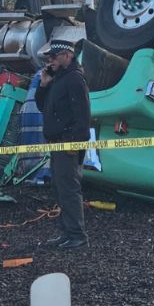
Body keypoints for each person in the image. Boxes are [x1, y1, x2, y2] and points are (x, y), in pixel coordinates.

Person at [34, 38, 91, 249]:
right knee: (58, 188)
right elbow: (42, 106)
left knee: (69, 189)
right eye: (48, 58)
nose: (50, 61)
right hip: (56, 142)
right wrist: (43, 84)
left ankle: (77, 235)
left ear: (68, 55)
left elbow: (83, 116)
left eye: (54, 57)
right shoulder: (57, 78)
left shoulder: (75, 79)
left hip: (67, 143)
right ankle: (67, 232)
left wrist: (74, 144)